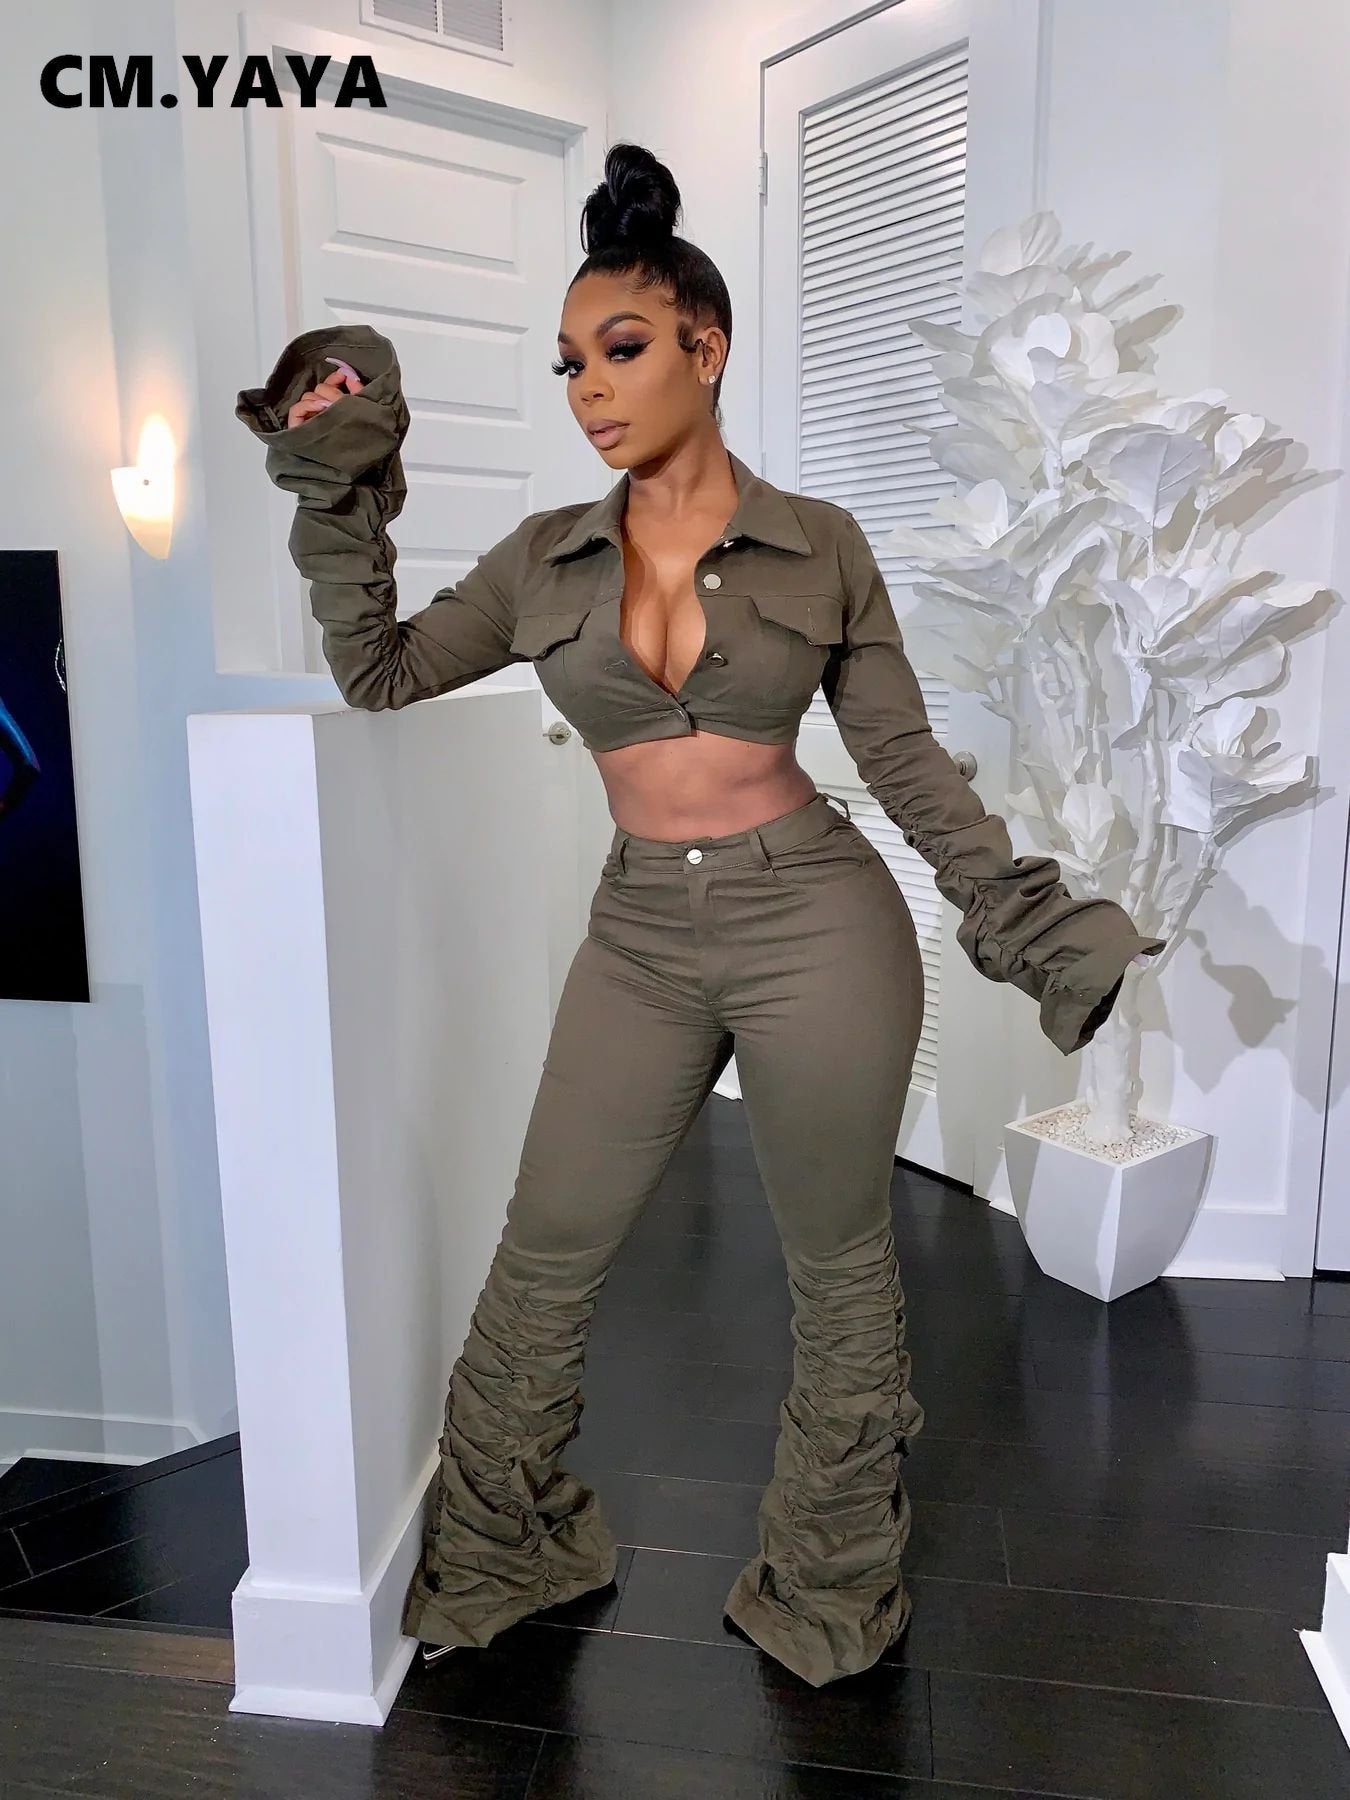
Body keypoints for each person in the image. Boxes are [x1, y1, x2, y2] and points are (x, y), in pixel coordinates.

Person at [236, 142, 1164, 1689]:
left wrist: (1024, 917)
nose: (589, 389)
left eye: (620, 349)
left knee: (836, 1265)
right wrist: (340, 477)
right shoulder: (542, 560)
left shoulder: (820, 543)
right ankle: (506, 1547)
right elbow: (380, 671)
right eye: (568, 364)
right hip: (639, 940)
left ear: (704, 345)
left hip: (819, 925)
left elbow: (901, 760)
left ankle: (827, 1584)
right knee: (548, 1243)